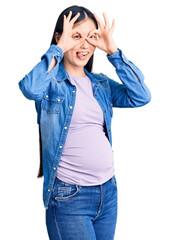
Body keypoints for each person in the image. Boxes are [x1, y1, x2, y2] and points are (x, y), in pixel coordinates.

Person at [18, 5, 151, 240]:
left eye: (91, 37)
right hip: (70, 196)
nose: (84, 45)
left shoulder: (100, 84)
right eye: (76, 36)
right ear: (60, 38)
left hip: (107, 192)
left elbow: (141, 95)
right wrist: (58, 49)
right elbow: (30, 88)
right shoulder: (51, 84)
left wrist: (113, 51)